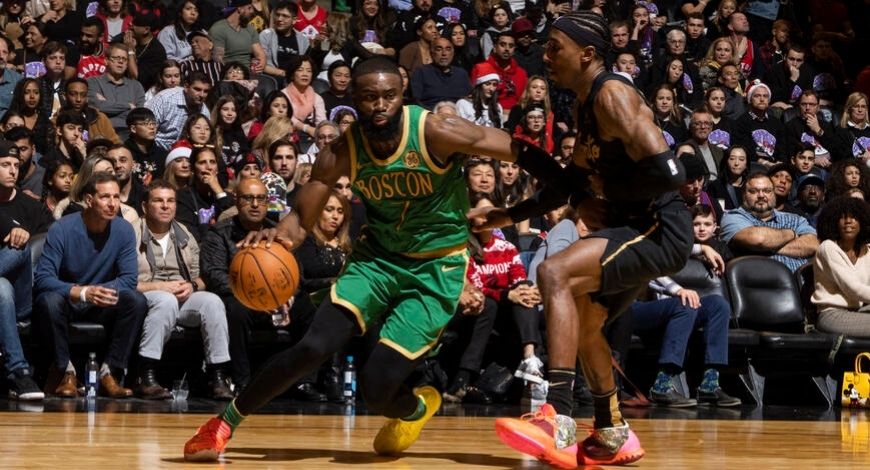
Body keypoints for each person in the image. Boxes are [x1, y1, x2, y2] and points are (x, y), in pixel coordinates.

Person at [182, 55, 529, 462]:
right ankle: (223, 424)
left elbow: (520, 150)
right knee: (313, 346)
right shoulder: (341, 151)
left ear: (402, 94)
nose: (380, 105)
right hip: (377, 259)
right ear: (354, 98)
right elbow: (299, 220)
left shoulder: (435, 130)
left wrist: (534, 205)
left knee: (376, 388)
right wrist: (276, 238)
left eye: (389, 96)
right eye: (369, 97)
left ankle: (417, 408)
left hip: (435, 266)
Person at [476, 12, 691, 467]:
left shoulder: (612, 95)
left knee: (553, 270)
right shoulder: (583, 103)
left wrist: (607, 194)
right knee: (586, 318)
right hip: (631, 227)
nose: (546, 56)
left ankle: (557, 414)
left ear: (587, 54)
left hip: (659, 226)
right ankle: (612, 430)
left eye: (556, 47)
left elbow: (671, 173)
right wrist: (508, 214)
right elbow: (569, 184)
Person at [33, 172, 147, 398]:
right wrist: (83, 292)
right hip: (70, 299)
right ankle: (65, 372)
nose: (112, 203)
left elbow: (129, 279)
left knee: (136, 300)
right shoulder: (62, 228)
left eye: (116, 197)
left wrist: (100, 292)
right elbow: (43, 278)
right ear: (89, 199)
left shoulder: (124, 230)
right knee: (48, 301)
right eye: (105, 197)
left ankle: (109, 372)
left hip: (101, 301)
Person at [133, 180, 233, 400]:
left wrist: (192, 285)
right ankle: (146, 375)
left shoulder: (185, 233)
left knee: (212, 302)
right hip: (145, 293)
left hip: (181, 294)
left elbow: (202, 277)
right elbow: (126, 281)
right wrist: (159, 286)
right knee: (165, 301)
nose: (165, 206)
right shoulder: (131, 233)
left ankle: (218, 376)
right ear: (145, 207)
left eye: (170, 201)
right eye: (158, 201)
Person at [0, 140, 51, 400]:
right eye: (4, 165)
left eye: (16, 165)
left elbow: (49, 245)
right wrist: (11, 227)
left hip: (24, 295)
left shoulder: (31, 205)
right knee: (1, 288)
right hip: (4, 294)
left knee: (20, 248)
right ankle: (19, 372)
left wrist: (21, 235)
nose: (12, 170)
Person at [720, 172, 819, 273]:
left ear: (774, 194)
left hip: (799, 280)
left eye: (767, 191)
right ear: (744, 195)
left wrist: (763, 248)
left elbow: (813, 245)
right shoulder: (732, 217)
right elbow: (758, 239)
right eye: (753, 191)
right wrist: (791, 234)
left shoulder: (795, 219)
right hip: (756, 280)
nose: (761, 195)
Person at [812, 196, 870, 337]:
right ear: (834, 222)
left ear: (862, 222)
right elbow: (853, 289)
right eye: (842, 217)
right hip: (832, 315)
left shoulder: (866, 251)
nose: (848, 221)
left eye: (854, 217)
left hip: (858, 311)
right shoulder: (828, 247)